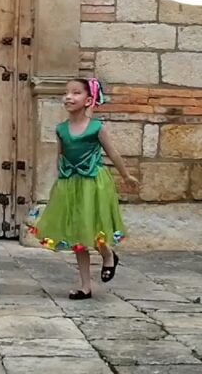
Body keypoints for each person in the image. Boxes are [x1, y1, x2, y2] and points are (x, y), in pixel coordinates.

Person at [30, 78, 137, 300]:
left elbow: (113, 153)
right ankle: (85, 286)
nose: (69, 96)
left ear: (88, 100)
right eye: (66, 92)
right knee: (78, 235)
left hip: (93, 183)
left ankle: (108, 255)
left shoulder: (96, 128)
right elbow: (60, 156)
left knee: (94, 229)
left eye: (76, 92)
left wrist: (126, 175)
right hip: (70, 184)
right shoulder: (61, 129)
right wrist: (58, 184)